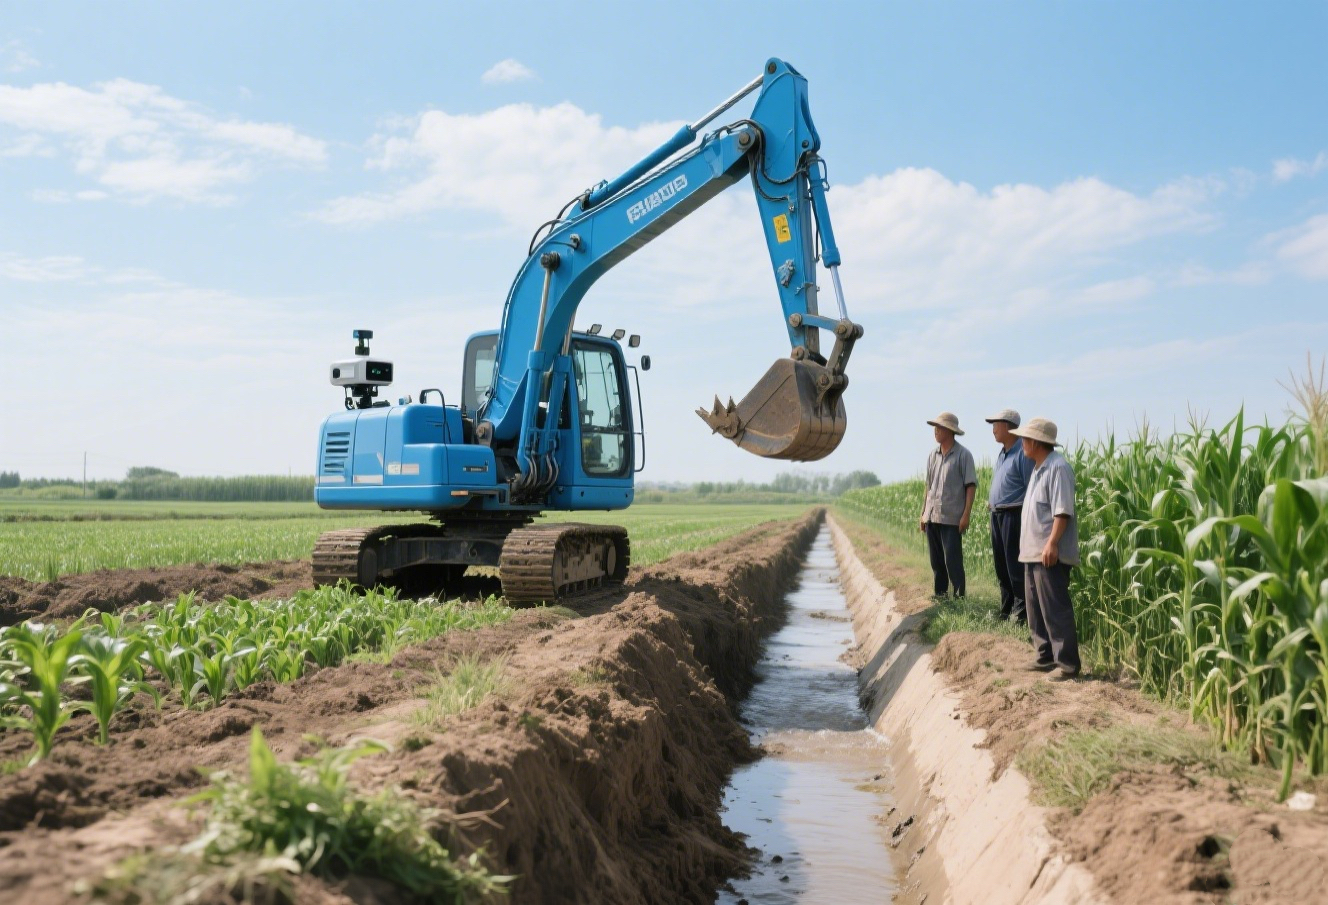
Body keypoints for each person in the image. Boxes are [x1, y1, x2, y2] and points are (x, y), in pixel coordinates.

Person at [1012, 417, 1081, 680]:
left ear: (1036, 442)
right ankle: (1044, 655)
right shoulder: (1038, 469)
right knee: (1035, 608)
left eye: (1025, 438)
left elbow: (1062, 511)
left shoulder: (1058, 468)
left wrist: (1052, 543)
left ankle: (1067, 664)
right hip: (1032, 552)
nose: (1022, 443)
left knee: (1055, 608)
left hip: (1048, 553)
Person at [918, 412, 977, 598]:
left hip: (952, 517)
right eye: (935, 427)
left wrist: (966, 514)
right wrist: (923, 513)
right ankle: (940, 594)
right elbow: (928, 487)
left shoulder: (963, 455)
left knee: (953, 560)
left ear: (950, 431)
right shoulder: (932, 456)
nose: (935, 431)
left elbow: (970, 486)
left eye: (939, 427)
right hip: (932, 516)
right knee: (936, 561)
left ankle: (959, 597)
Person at [985, 409, 1034, 624]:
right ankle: (1005, 610)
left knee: (1015, 566)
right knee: (1001, 565)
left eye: (996, 424)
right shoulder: (1003, 453)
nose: (993, 429)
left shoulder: (1023, 452)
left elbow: (1031, 487)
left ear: (1009, 426)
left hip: (1014, 514)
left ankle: (1021, 614)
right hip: (997, 514)